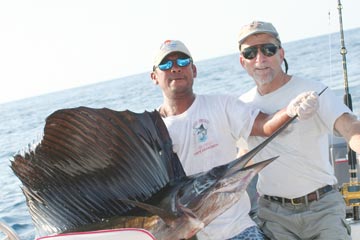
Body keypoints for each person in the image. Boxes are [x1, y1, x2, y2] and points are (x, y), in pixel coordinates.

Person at [150, 39, 319, 240]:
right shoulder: (152, 133)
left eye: (183, 62)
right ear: (154, 77)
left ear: (194, 70)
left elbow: (264, 126)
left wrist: (291, 110)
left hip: (239, 230)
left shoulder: (221, 105)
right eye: (166, 65)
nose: (175, 68)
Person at [237, 20, 360, 240]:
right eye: (250, 53)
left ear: (281, 53)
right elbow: (237, 159)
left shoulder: (313, 90)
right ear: (242, 61)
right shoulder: (241, 106)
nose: (260, 59)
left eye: (268, 49)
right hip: (273, 216)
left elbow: (349, 125)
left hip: (323, 209)